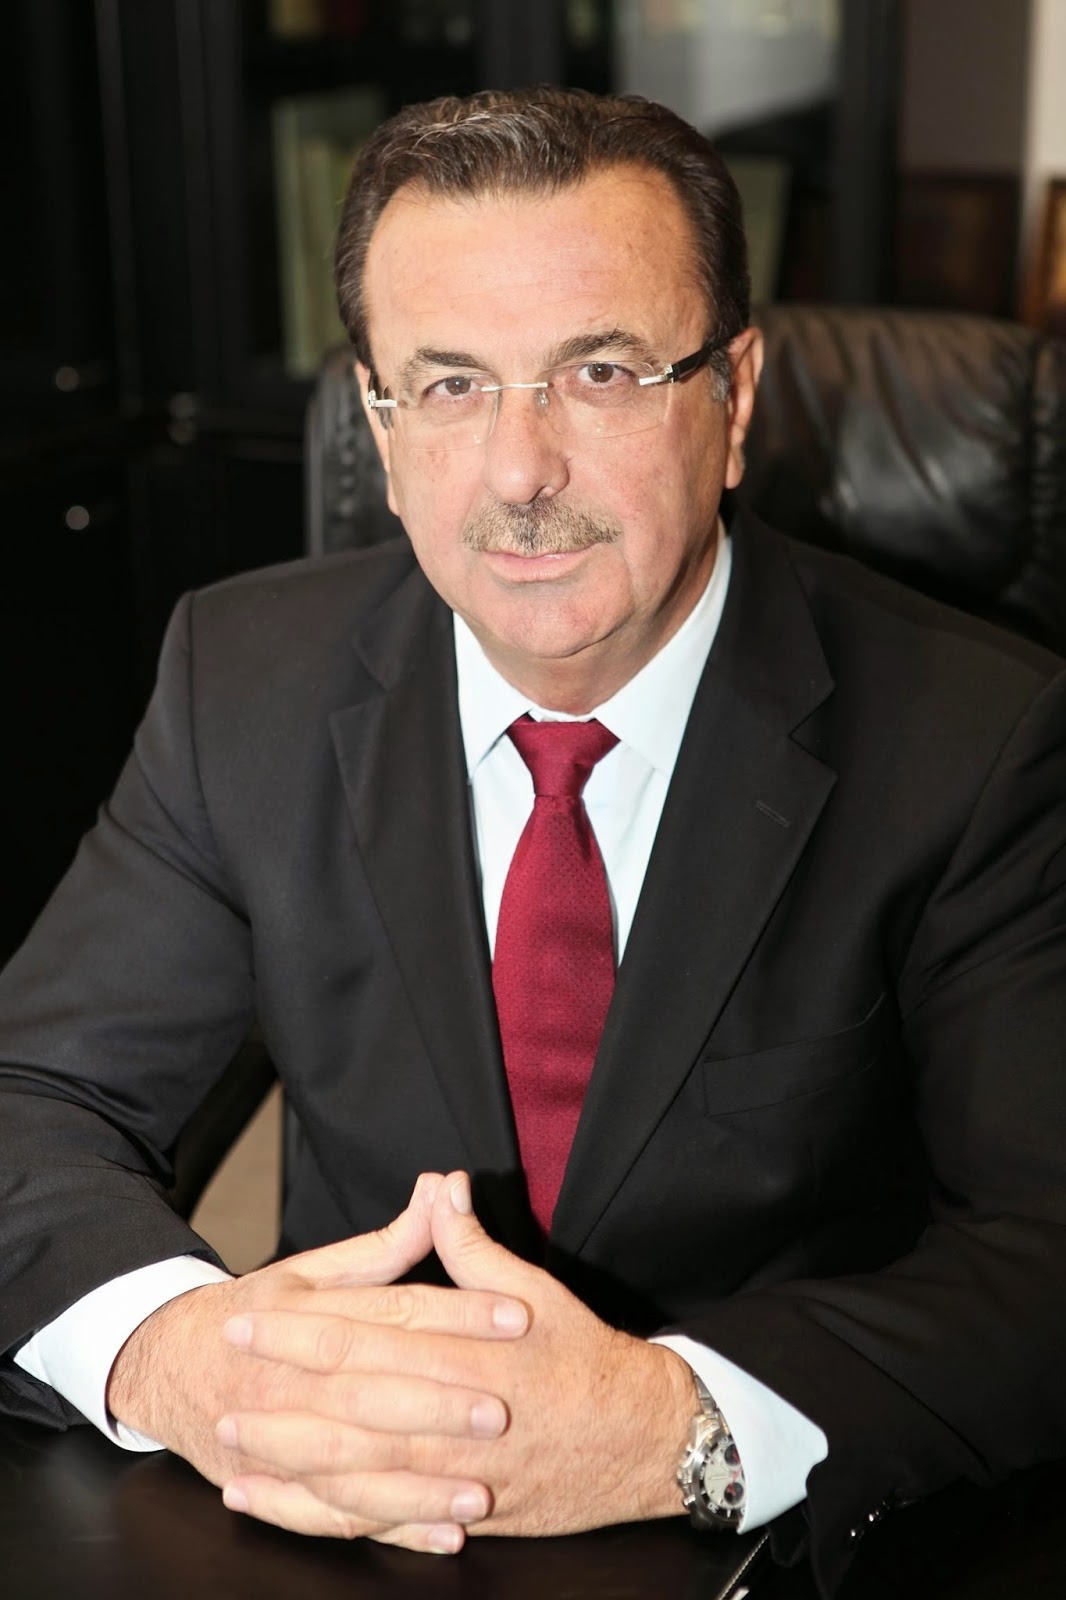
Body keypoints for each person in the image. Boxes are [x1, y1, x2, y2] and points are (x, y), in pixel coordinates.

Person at [1, 86, 1065, 1599]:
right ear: (378, 425)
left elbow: (1041, 1242)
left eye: (600, 373)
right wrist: (190, 1356)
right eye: (448, 385)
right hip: (347, 1527)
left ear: (734, 398)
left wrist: (677, 1426)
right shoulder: (241, 680)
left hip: (767, 1540)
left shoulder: (980, 733)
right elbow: (31, 1100)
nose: (518, 472)